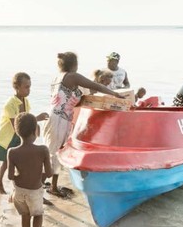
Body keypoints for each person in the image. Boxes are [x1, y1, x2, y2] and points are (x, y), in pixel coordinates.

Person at [43, 52, 125, 198]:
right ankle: (41, 186)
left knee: (54, 153)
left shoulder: (58, 78)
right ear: (74, 65)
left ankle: (50, 185)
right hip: (59, 120)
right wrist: (115, 94)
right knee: (55, 154)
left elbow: (71, 99)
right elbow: (94, 85)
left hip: (56, 118)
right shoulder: (72, 76)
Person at [7, 112, 52, 227]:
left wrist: (21, 177)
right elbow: (49, 173)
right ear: (35, 131)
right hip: (34, 191)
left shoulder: (12, 152)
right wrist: (39, 177)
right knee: (37, 215)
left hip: (18, 192)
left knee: (25, 216)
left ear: (17, 131)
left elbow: (10, 176)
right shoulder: (43, 150)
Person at [0, 72, 48, 194]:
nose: (29, 90)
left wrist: (36, 123)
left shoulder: (25, 101)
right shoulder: (10, 104)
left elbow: (26, 118)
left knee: (19, 161)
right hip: (7, 137)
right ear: (17, 87)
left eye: (30, 86)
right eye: (26, 87)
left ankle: (17, 187)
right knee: (6, 162)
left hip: (19, 135)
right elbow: (17, 124)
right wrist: (36, 120)